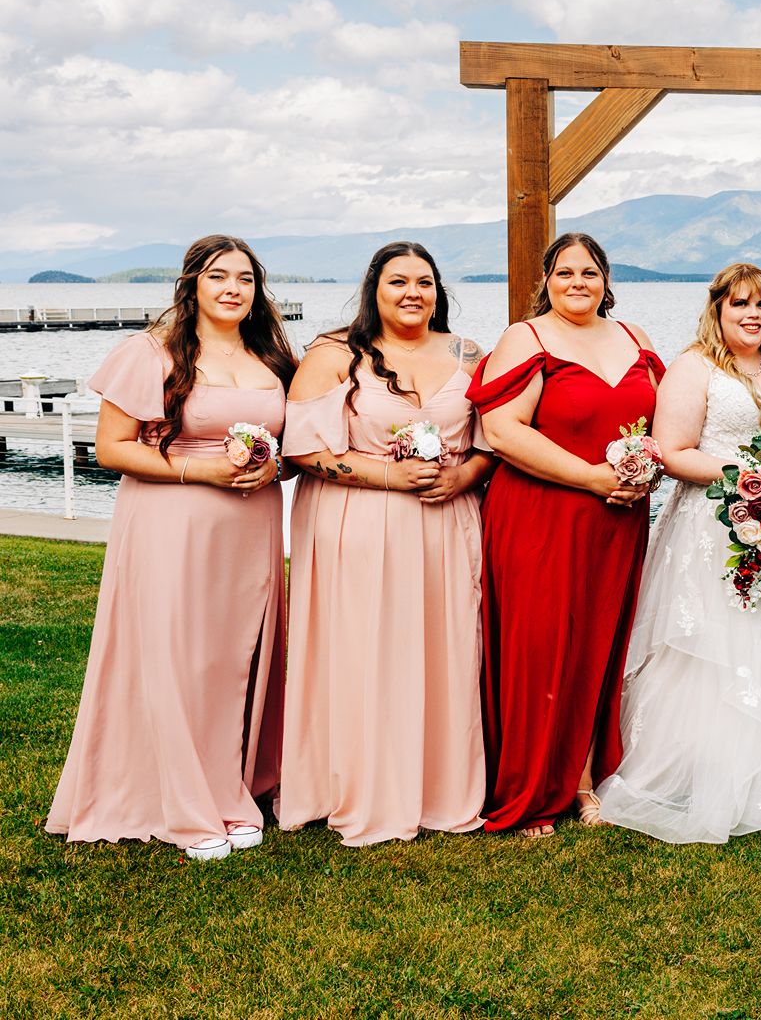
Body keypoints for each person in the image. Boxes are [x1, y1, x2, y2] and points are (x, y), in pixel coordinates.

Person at [47, 235, 296, 861]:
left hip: (250, 527)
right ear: (192, 285)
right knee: (177, 655)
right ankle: (183, 799)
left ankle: (229, 783)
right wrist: (200, 471)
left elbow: (294, 446)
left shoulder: (272, 354)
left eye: (244, 278)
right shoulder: (151, 352)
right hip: (173, 520)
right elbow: (111, 448)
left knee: (230, 658)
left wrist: (276, 468)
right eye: (218, 276)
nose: (233, 288)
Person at [596, 263, 761, 842]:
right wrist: (755, 478)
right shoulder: (695, 368)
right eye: (739, 303)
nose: (752, 315)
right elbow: (671, 451)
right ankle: (701, 776)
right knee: (711, 652)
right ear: (717, 308)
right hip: (710, 531)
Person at [278, 241, 494, 846]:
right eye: (398, 281)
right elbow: (303, 449)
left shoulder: (469, 354)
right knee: (364, 649)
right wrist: (387, 475)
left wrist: (461, 476)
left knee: (442, 649)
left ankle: (438, 787)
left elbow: (489, 444)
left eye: (424, 282)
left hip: (445, 523)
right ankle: (356, 785)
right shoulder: (333, 355)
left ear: (438, 290)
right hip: (358, 522)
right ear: (374, 288)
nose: (412, 294)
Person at [469, 232, 662, 837]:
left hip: (617, 519)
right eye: (564, 272)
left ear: (607, 280)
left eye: (589, 272)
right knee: (543, 647)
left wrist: (642, 471)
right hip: (542, 514)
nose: (577, 282)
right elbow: (502, 431)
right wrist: (591, 476)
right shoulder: (525, 339)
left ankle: (582, 779)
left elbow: (662, 421)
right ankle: (533, 788)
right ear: (546, 281)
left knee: (600, 648)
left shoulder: (635, 339)